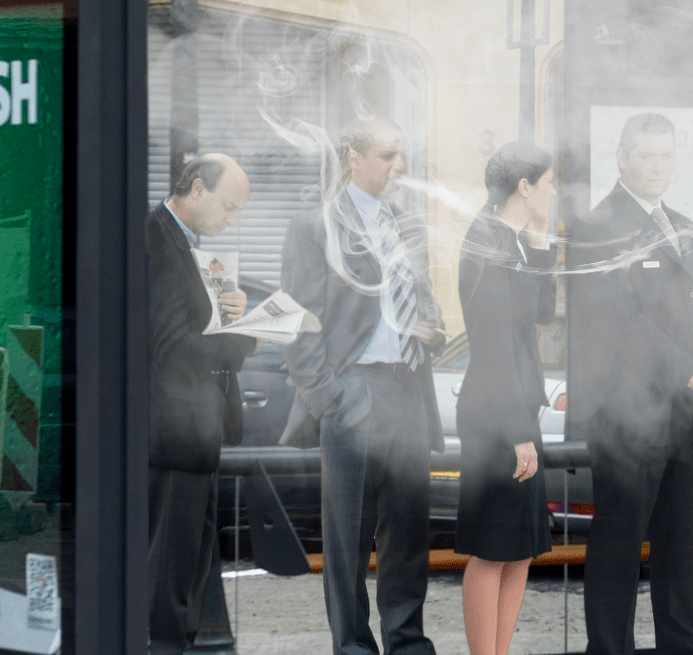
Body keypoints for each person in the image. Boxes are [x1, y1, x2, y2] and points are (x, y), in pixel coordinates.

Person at [279, 117, 446, 655]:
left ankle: (407, 642)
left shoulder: (406, 224)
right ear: (353, 156)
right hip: (352, 391)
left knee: (409, 533)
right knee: (347, 537)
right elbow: (299, 321)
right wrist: (328, 397)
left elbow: (424, 301)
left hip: (408, 389)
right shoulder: (315, 227)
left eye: (403, 156)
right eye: (388, 155)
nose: (400, 166)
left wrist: (433, 328)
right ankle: (352, 646)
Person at [572, 112, 693, 655]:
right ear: (621, 158)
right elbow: (618, 321)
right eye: (647, 155)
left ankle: (683, 649)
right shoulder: (597, 228)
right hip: (628, 421)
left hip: (692, 418)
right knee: (618, 550)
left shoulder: (685, 225)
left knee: (685, 551)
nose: (658, 167)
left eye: (666, 156)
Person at [147, 153, 256, 655]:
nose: (231, 221)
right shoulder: (158, 241)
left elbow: (193, 327)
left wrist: (228, 310)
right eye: (228, 208)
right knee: (170, 573)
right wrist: (242, 337)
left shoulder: (185, 244)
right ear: (196, 189)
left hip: (197, 431)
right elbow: (172, 348)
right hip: (174, 433)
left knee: (190, 567)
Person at [455, 142, 557, 655]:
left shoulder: (513, 239)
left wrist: (541, 244)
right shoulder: (487, 239)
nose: (554, 191)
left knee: (520, 551)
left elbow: (543, 314)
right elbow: (494, 342)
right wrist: (517, 431)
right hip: (496, 417)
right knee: (492, 550)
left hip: (517, 411)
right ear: (525, 186)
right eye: (549, 182)